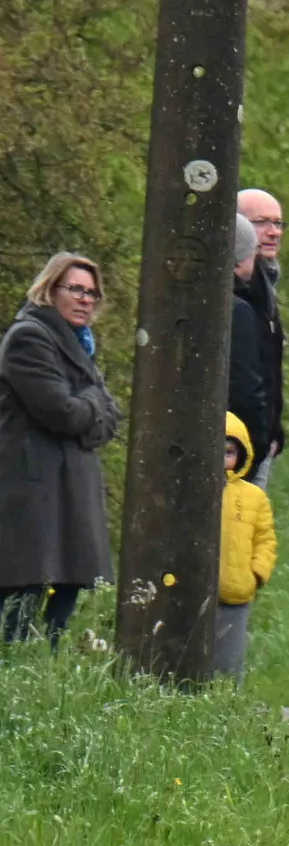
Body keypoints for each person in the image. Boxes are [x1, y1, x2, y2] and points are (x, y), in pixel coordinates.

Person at [0, 252, 117, 646]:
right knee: (22, 601)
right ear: (50, 290)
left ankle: (43, 678)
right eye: (76, 290)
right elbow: (60, 412)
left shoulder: (80, 344)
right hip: (36, 492)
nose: (86, 299)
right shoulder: (29, 337)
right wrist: (92, 404)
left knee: (65, 596)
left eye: (92, 293)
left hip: (70, 489)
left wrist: (90, 406)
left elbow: (111, 418)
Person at [213, 412, 275, 685]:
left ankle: (225, 704)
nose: (223, 459)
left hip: (236, 591)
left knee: (229, 662)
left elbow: (266, 539)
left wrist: (256, 574)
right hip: (192, 593)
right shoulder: (191, 490)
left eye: (229, 452)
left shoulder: (253, 497)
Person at [230, 187, 285, 481]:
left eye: (278, 223)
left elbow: (271, 367)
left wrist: (275, 430)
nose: (273, 232)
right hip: (238, 443)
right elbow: (244, 377)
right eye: (262, 222)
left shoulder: (265, 285)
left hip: (260, 439)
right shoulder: (238, 293)